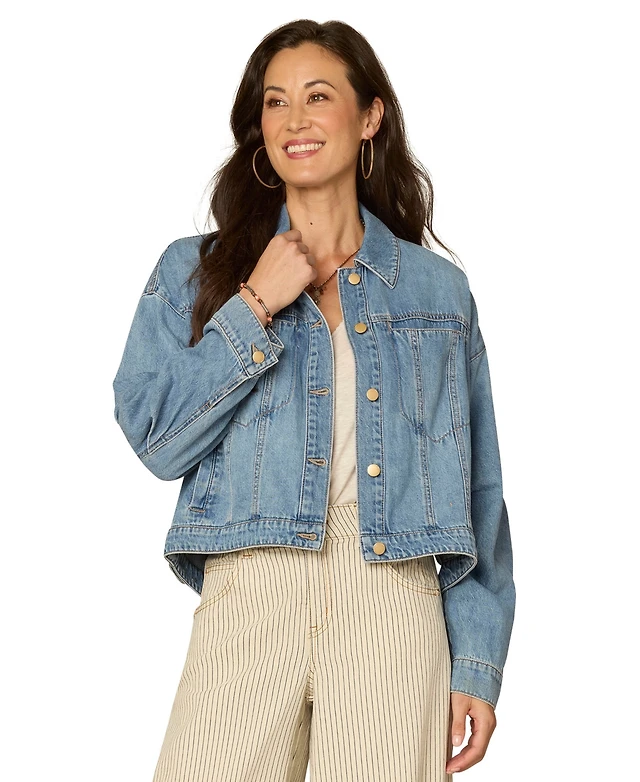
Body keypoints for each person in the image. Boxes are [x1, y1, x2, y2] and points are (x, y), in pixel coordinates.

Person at [112, 18, 515, 782]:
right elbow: (156, 437)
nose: (294, 119)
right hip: (251, 586)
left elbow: (480, 492)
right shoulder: (196, 272)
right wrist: (254, 305)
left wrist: (477, 659)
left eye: (318, 96)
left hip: (391, 599)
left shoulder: (435, 293)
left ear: (369, 118)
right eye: (275, 101)